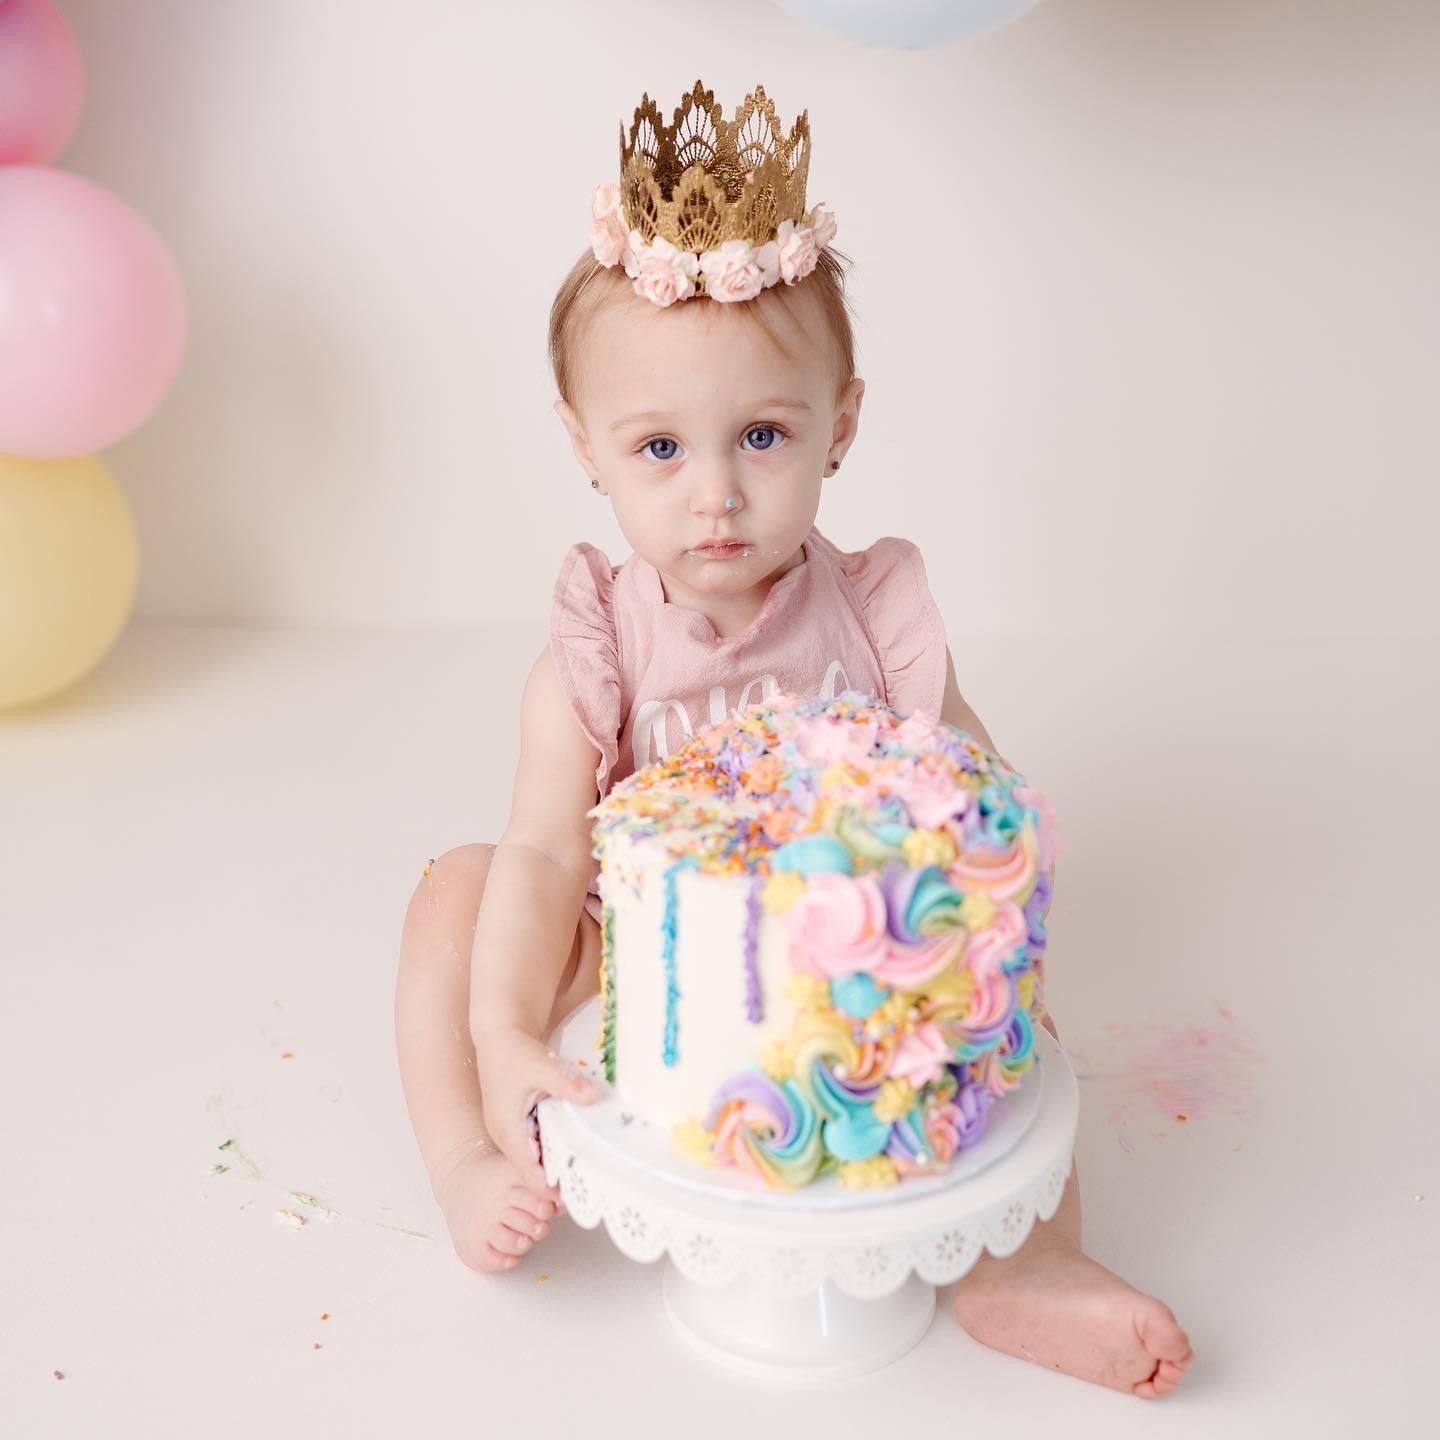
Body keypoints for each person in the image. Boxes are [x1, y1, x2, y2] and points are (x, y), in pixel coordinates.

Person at [395, 81, 1193, 1398]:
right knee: (457, 891)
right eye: (659, 447)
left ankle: (1021, 1263)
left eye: (762, 435)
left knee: (1001, 986)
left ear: (844, 422)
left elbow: (976, 793)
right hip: (634, 986)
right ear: (584, 446)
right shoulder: (594, 648)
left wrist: (976, 899)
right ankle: (469, 1143)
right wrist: (504, 1021)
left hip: (847, 990)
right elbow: (545, 858)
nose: (715, 495)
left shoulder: (872, 617)